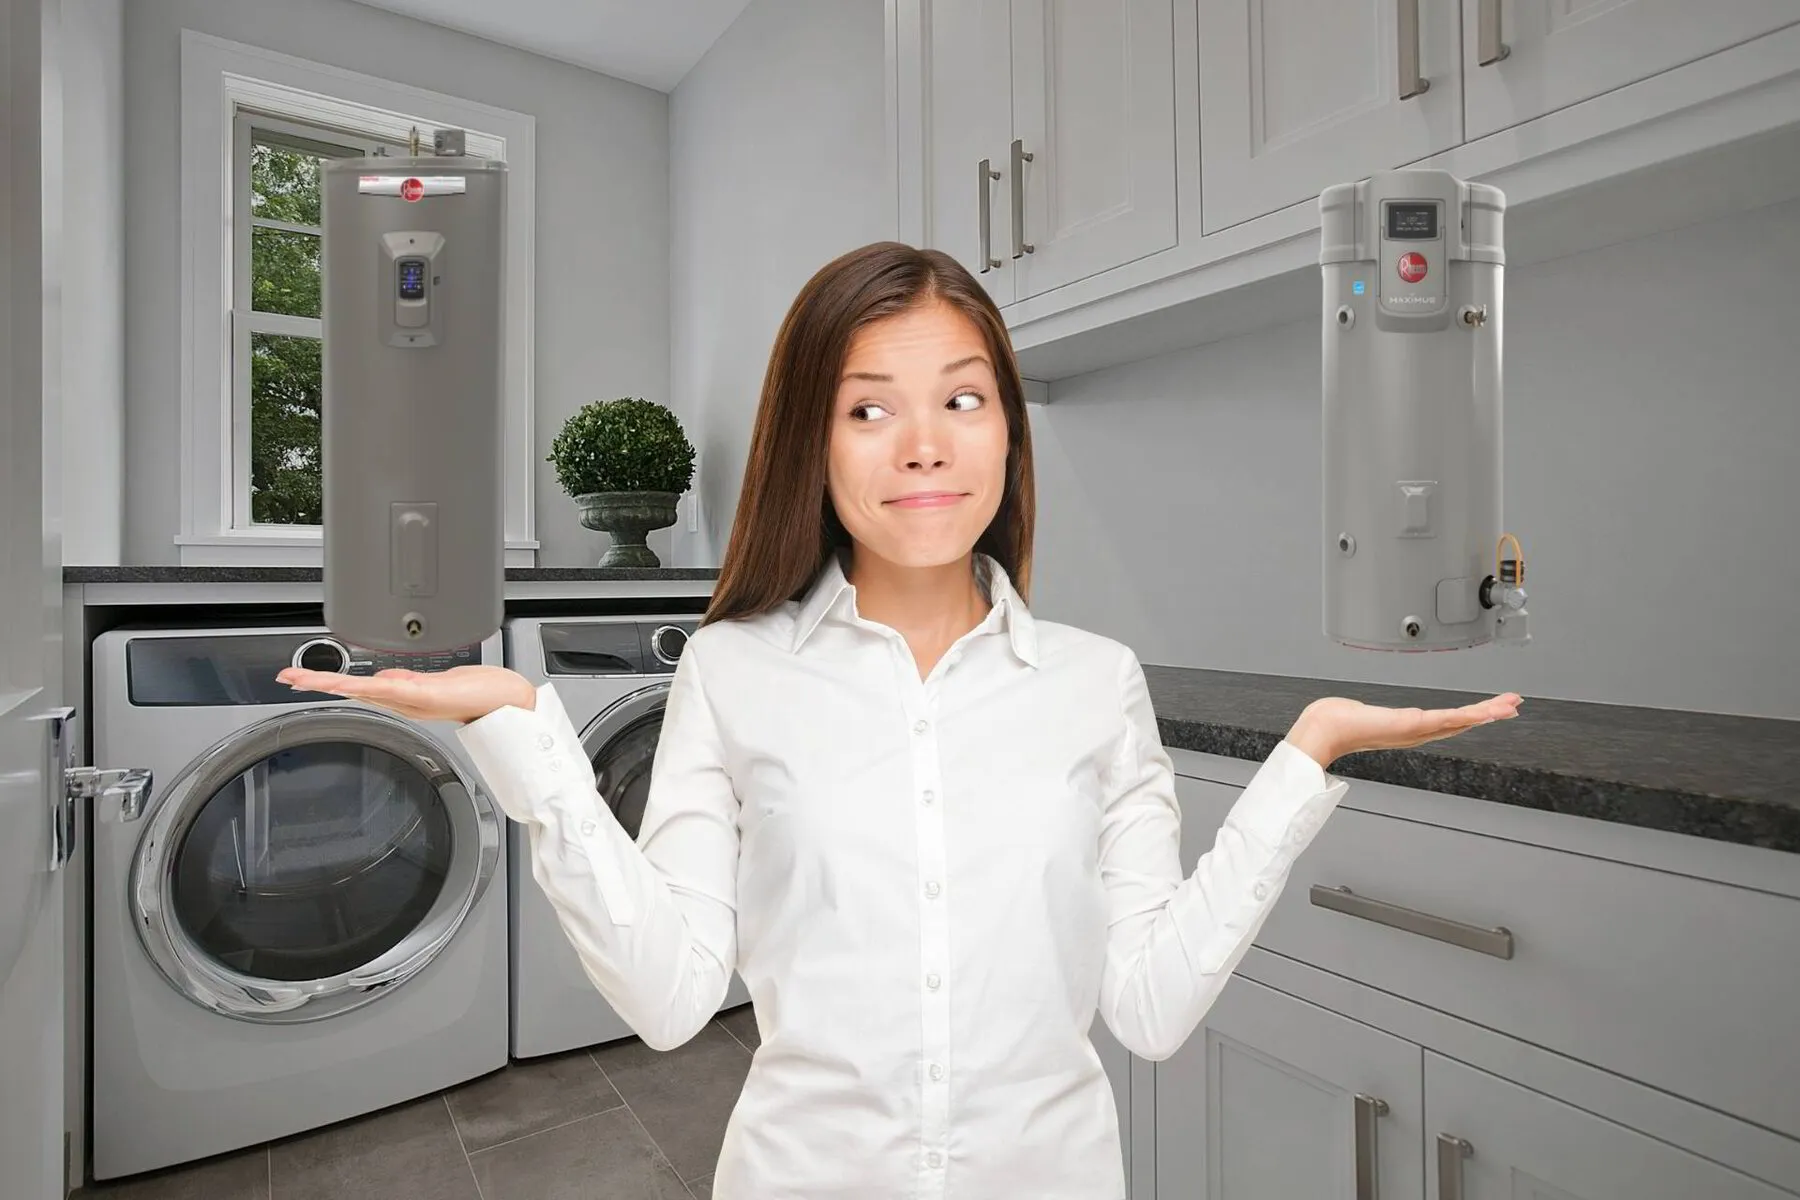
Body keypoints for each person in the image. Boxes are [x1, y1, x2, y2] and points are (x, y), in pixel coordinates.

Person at [279, 241, 1520, 1199]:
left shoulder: (1095, 682)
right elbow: (669, 997)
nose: (923, 446)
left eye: (963, 401)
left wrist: (1306, 763)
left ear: (1008, 431)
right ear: (811, 442)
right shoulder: (733, 670)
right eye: (869, 408)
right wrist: (524, 731)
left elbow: (1146, 1006)